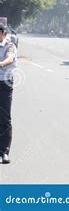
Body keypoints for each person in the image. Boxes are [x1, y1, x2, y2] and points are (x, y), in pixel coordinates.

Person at [0, 25, 17, 164]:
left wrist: (1, 64)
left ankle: (4, 152)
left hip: (5, 84)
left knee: (5, 119)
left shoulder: (10, 46)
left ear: (3, 33)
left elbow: (10, 58)